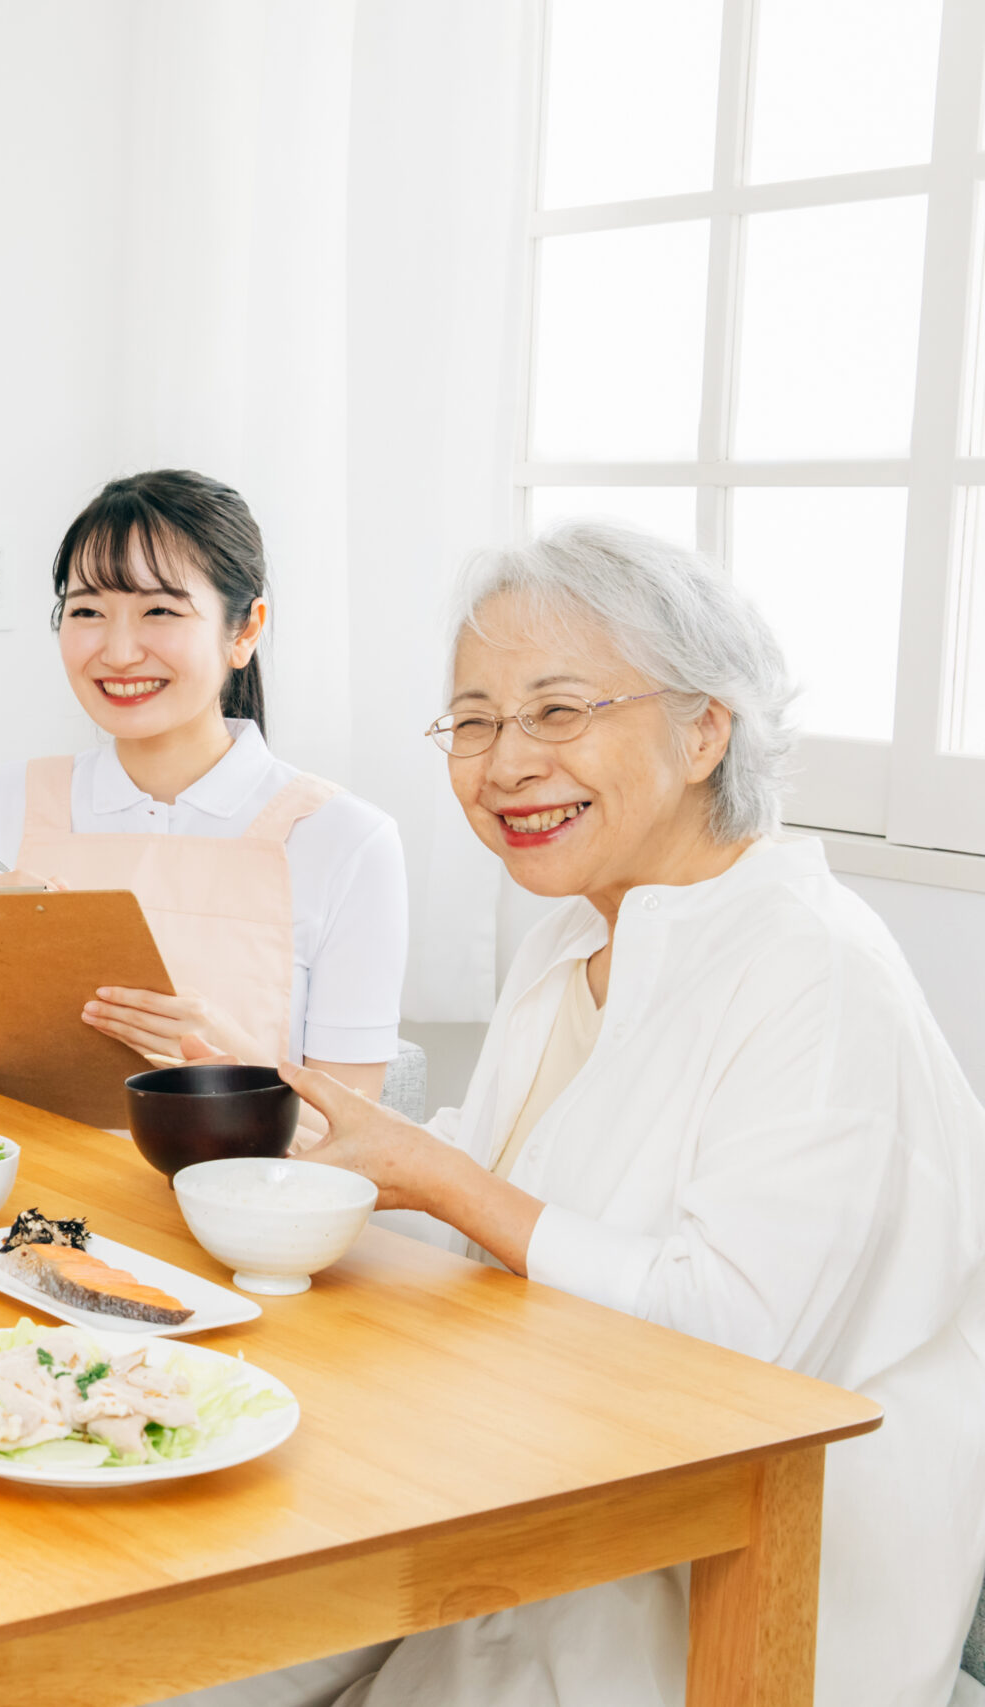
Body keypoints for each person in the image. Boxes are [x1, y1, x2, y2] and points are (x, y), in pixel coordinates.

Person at [182, 519, 985, 1707]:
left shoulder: (815, 975)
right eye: (472, 720)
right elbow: (476, 1178)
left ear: (704, 729)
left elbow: (727, 1351)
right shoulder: (574, 935)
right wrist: (281, 1130)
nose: (503, 764)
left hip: (724, 1587)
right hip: (530, 1480)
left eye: (557, 713)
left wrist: (443, 1181)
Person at [0, 471, 407, 1101]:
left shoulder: (345, 840)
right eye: (88, 610)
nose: (118, 653)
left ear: (245, 631)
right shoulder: (5, 804)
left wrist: (225, 1059)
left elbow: (356, 1142)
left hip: (246, 1195)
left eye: (160, 611)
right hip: (36, 1191)